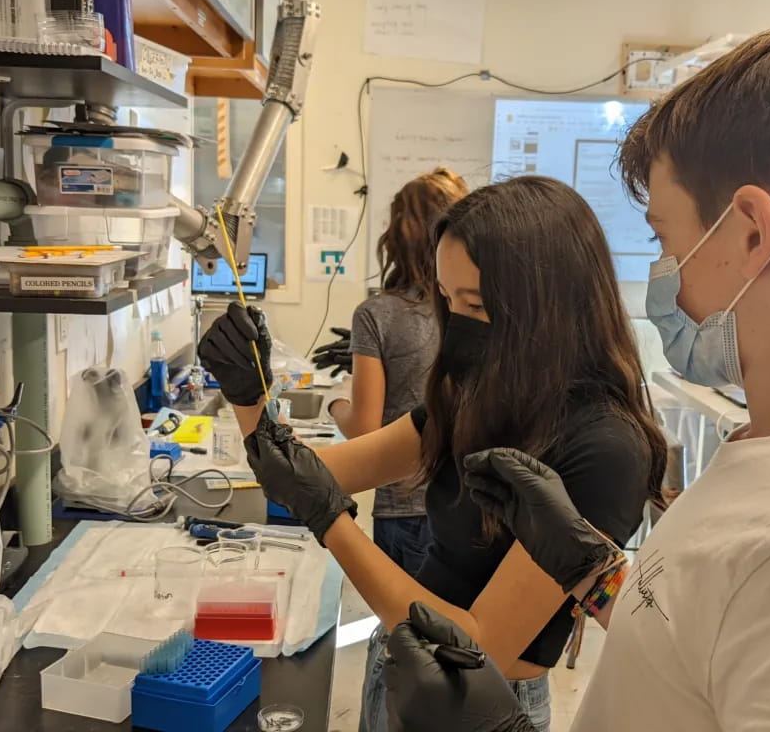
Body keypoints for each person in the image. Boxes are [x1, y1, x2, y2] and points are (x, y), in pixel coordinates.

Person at [381, 22, 770, 731]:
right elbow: (693, 646)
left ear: (752, 233)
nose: (665, 283)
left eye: (666, 241)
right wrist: (592, 573)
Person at [197, 175, 667, 731]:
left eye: (475, 303)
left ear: (550, 307)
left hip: (480, 709)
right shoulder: (476, 394)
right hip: (397, 663)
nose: (456, 321)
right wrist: (249, 395)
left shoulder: (604, 448)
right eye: (447, 299)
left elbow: (479, 645)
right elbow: (306, 475)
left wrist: (332, 521)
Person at [314, 168, 468, 577]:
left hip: (403, 508)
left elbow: (364, 430)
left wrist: (336, 401)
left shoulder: (377, 315)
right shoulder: (474, 311)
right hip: (465, 508)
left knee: (400, 629)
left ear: (395, 238)